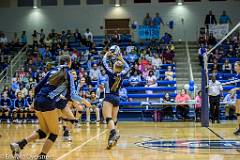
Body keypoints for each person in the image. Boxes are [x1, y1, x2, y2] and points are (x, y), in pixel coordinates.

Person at [10, 55, 91, 160]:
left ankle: (19, 145)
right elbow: (73, 96)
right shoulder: (68, 74)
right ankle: (42, 156)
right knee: (54, 133)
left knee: (44, 131)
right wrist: (85, 102)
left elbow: (37, 87)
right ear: (69, 63)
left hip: (39, 100)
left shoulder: (51, 71)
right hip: (47, 102)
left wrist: (34, 102)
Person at [102, 45, 130, 149]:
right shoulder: (122, 74)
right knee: (114, 120)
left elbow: (104, 63)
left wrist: (106, 54)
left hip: (109, 97)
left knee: (108, 118)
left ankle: (114, 133)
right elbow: (128, 67)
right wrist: (121, 58)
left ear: (114, 67)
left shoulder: (110, 73)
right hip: (117, 99)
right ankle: (111, 139)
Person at [230, 62, 240, 135]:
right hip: (238, 96)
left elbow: (237, 87)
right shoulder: (236, 75)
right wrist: (233, 93)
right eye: (234, 65)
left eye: (236, 65)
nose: (235, 67)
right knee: (238, 113)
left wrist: (235, 89)